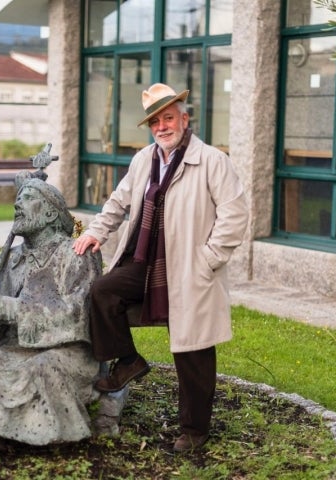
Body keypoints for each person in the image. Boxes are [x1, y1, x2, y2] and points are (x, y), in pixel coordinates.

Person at [73, 83, 249, 452]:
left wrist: (209, 260)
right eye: (155, 121)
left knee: (193, 351)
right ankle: (128, 360)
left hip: (190, 267)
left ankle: (194, 432)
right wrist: (95, 233)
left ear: (185, 119)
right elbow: (117, 202)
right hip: (147, 263)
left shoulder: (212, 161)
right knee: (103, 293)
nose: (161, 127)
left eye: (168, 118)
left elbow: (235, 215)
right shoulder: (144, 160)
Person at [0, 173, 102, 454]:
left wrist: (4, 305)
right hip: (15, 347)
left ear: (51, 213)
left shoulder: (76, 254)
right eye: (18, 199)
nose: (18, 205)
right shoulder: (13, 257)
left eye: (27, 199)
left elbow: (75, 314)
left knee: (44, 366)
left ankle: (52, 437)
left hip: (65, 349)